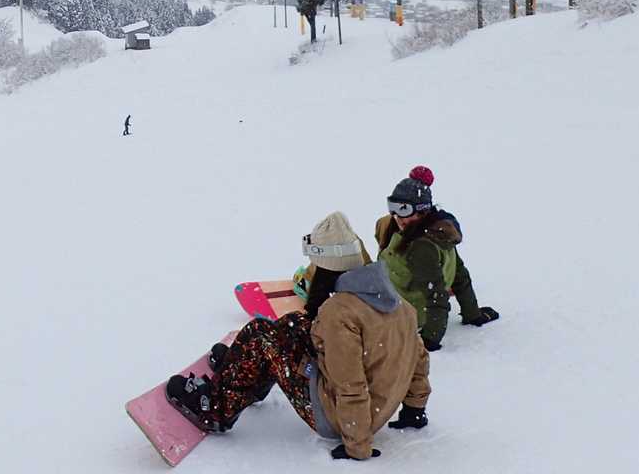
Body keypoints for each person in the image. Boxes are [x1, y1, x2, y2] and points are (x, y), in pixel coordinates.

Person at [169, 212, 430, 460]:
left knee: (260, 333)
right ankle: (247, 369)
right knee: (295, 323)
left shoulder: (339, 312)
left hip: (338, 418)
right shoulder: (399, 305)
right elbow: (419, 360)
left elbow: (350, 383)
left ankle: (215, 409)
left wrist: (357, 444)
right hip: (373, 409)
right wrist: (414, 411)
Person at [374, 166, 499, 350]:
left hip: (401, 313)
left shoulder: (421, 248)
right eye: (392, 207)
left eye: (404, 209)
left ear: (422, 210)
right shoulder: (438, 232)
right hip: (399, 294)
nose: (397, 216)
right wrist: (472, 314)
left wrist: (429, 340)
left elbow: (437, 296)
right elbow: (459, 275)